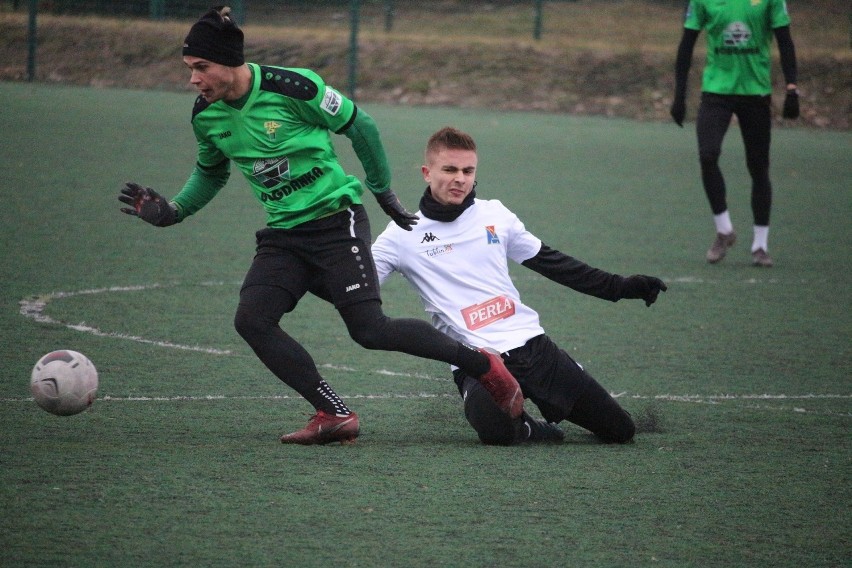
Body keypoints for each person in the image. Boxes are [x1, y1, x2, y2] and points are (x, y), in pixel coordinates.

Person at [117, 7, 524, 446]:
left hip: (336, 224)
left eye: (202, 68)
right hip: (284, 236)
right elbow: (211, 172)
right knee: (252, 320)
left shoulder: (295, 87)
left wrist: (383, 192)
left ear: (230, 63)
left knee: (369, 330)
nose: (194, 80)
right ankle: (333, 412)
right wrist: (174, 210)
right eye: (190, 70)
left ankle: (484, 365)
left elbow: (360, 126)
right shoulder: (206, 115)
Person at [372, 127, 667, 446]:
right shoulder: (400, 236)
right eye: (450, 169)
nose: (460, 178)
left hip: (534, 348)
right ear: (427, 173)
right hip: (478, 361)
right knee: (496, 432)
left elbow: (554, 263)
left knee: (620, 431)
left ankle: (543, 406)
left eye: (468, 170)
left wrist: (621, 287)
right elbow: (359, 282)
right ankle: (528, 428)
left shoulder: (495, 215)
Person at [670, 0, 799, 267]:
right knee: (707, 155)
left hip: (756, 94)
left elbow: (785, 41)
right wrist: (679, 95)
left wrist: (791, 88)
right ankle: (724, 229)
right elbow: (686, 44)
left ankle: (760, 245)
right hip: (716, 92)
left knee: (758, 167)